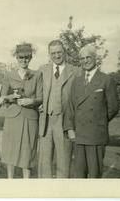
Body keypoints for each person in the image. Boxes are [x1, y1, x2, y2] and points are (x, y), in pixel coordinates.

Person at [66, 44, 119, 178]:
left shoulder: (106, 80)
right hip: (78, 136)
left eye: (88, 57)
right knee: (79, 174)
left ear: (95, 58)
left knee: (95, 175)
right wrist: (70, 129)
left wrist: (98, 120)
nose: (85, 61)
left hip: (96, 135)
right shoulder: (76, 81)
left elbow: (113, 107)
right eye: (82, 58)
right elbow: (70, 107)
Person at [0, 43, 43, 178]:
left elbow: (41, 97)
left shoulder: (37, 75)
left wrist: (32, 101)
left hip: (30, 117)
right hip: (12, 117)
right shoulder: (8, 75)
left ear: (30, 58)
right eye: (21, 58)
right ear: (16, 58)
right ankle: (10, 180)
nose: (24, 60)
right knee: (10, 150)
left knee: (27, 150)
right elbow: (2, 97)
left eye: (27, 58)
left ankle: (26, 183)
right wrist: (11, 97)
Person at [38, 40, 81, 178]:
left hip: (64, 122)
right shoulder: (42, 70)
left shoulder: (75, 71)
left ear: (64, 52)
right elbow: (36, 92)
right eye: (53, 53)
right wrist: (37, 103)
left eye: (59, 52)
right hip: (46, 121)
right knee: (45, 162)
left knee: (64, 161)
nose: (56, 56)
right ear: (49, 54)